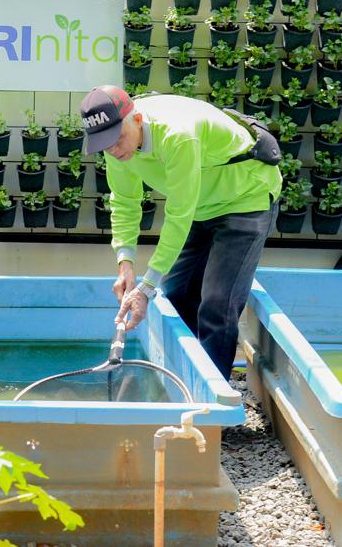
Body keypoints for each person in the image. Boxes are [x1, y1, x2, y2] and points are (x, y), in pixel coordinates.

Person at [80, 85, 282, 378]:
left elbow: (178, 215)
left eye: (117, 138)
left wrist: (146, 287)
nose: (112, 149)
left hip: (245, 198)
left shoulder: (178, 134)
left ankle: (210, 404)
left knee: (217, 304)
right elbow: (124, 201)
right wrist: (125, 263)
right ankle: (177, 382)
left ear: (136, 119)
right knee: (175, 294)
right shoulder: (116, 146)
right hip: (202, 205)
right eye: (103, 143)